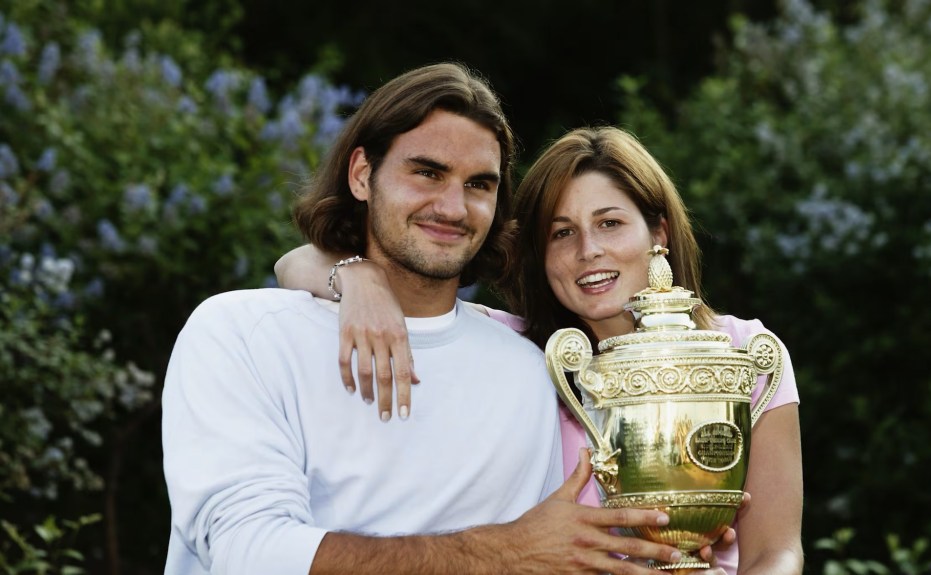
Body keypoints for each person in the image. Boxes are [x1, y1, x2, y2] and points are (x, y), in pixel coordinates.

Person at [162, 64, 687, 575]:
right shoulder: (242, 334)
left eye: (479, 184)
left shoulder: (528, 369)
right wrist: (504, 553)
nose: (453, 206)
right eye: (428, 172)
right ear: (362, 174)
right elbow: (248, 555)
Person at [276, 126, 804, 574]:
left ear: (658, 231)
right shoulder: (516, 351)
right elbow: (293, 266)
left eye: (610, 223)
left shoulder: (743, 352)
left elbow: (776, 550)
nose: (588, 251)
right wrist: (362, 279)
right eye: (561, 233)